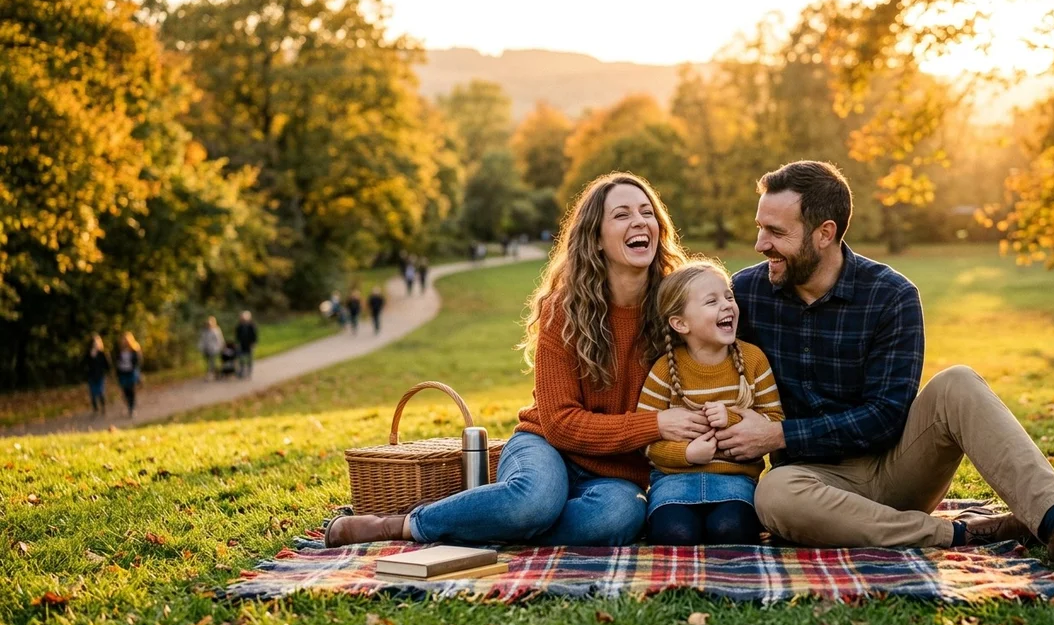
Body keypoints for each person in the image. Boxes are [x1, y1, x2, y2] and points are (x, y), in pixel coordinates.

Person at [718, 160, 1054, 574]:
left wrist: (778, 434)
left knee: (958, 382)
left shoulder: (892, 295)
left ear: (825, 233)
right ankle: (964, 534)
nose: (760, 244)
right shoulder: (746, 293)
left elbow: (887, 416)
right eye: (760, 227)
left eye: (775, 232)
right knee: (773, 496)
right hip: (812, 482)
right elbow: (690, 336)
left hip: (896, 468)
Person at [323, 172, 704, 548]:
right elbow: (559, 424)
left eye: (646, 212)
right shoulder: (565, 311)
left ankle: (501, 525)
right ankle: (400, 525)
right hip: (546, 447)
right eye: (621, 214)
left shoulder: (676, 312)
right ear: (596, 239)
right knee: (534, 501)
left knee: (619, 517)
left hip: (618, 474)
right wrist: (656, 424)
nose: (639, 221)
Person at [637, 260, 785, 545]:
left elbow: (775, 422)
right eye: (711, 301)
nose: (727, 305)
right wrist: (688, 454)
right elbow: (647, 442)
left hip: (735, 483)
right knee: (674, 534)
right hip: (673, 484)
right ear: (680, 323)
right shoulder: (665, 370)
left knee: (730, 530)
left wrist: (731, 418)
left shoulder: (753, 360)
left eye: (728, 296)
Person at [114, 332, 141, 417]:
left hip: (131, 372)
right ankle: (129, 407)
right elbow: (117, 361)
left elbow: (138, 361)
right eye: (124, 340)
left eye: (126, 340)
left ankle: (132, 408)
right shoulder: (120, 350)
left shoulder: (134, 349)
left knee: (131, 391)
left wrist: (135, 369)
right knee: (125, 392)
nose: (125, 342)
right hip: (122, 372)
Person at [83, 334, 111, 416]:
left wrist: (105, 372)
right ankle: (95, 409)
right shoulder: (88, 354)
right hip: (91, 376)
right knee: (92, 393)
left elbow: (107, 365)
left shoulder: (102, 353)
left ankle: (103, 407)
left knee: (100, 392)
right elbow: (83, 364)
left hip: (100, 376)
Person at [198, 316, 224, 381]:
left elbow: (219, 340)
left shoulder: (216, 330)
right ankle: (212, 374)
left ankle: (211, 375)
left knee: (212, 362)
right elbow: (202, 340)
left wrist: (221, 346)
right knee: (208, 362)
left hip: (214, 349)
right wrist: (200, 347)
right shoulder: (204, 331)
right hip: (206, 349)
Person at [235, 311, 258, 379]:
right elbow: (237, 336)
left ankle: (249, 372)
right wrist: (237, 343)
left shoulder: (251, 325)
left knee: (249, 359)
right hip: (242, 344)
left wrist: (253, 343)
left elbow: (254, 335)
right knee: (241, 358)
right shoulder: (239, 326)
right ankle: (241, 372)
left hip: (249, 344)